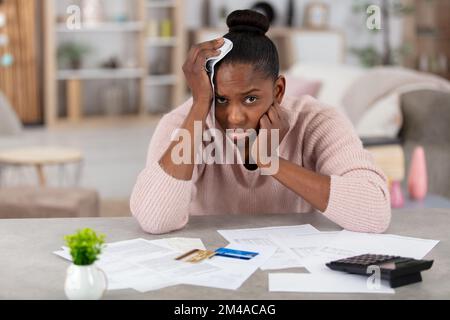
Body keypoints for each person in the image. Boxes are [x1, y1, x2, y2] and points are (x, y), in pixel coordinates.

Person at [130, 10, 391, 234]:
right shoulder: (184, 123)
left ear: (278, 91)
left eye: (250, 99)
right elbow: (155, 220)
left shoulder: (317, 122)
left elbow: (375, 213)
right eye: (221, 99)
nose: (234, 117)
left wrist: (270, 162)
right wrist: (199, 107)